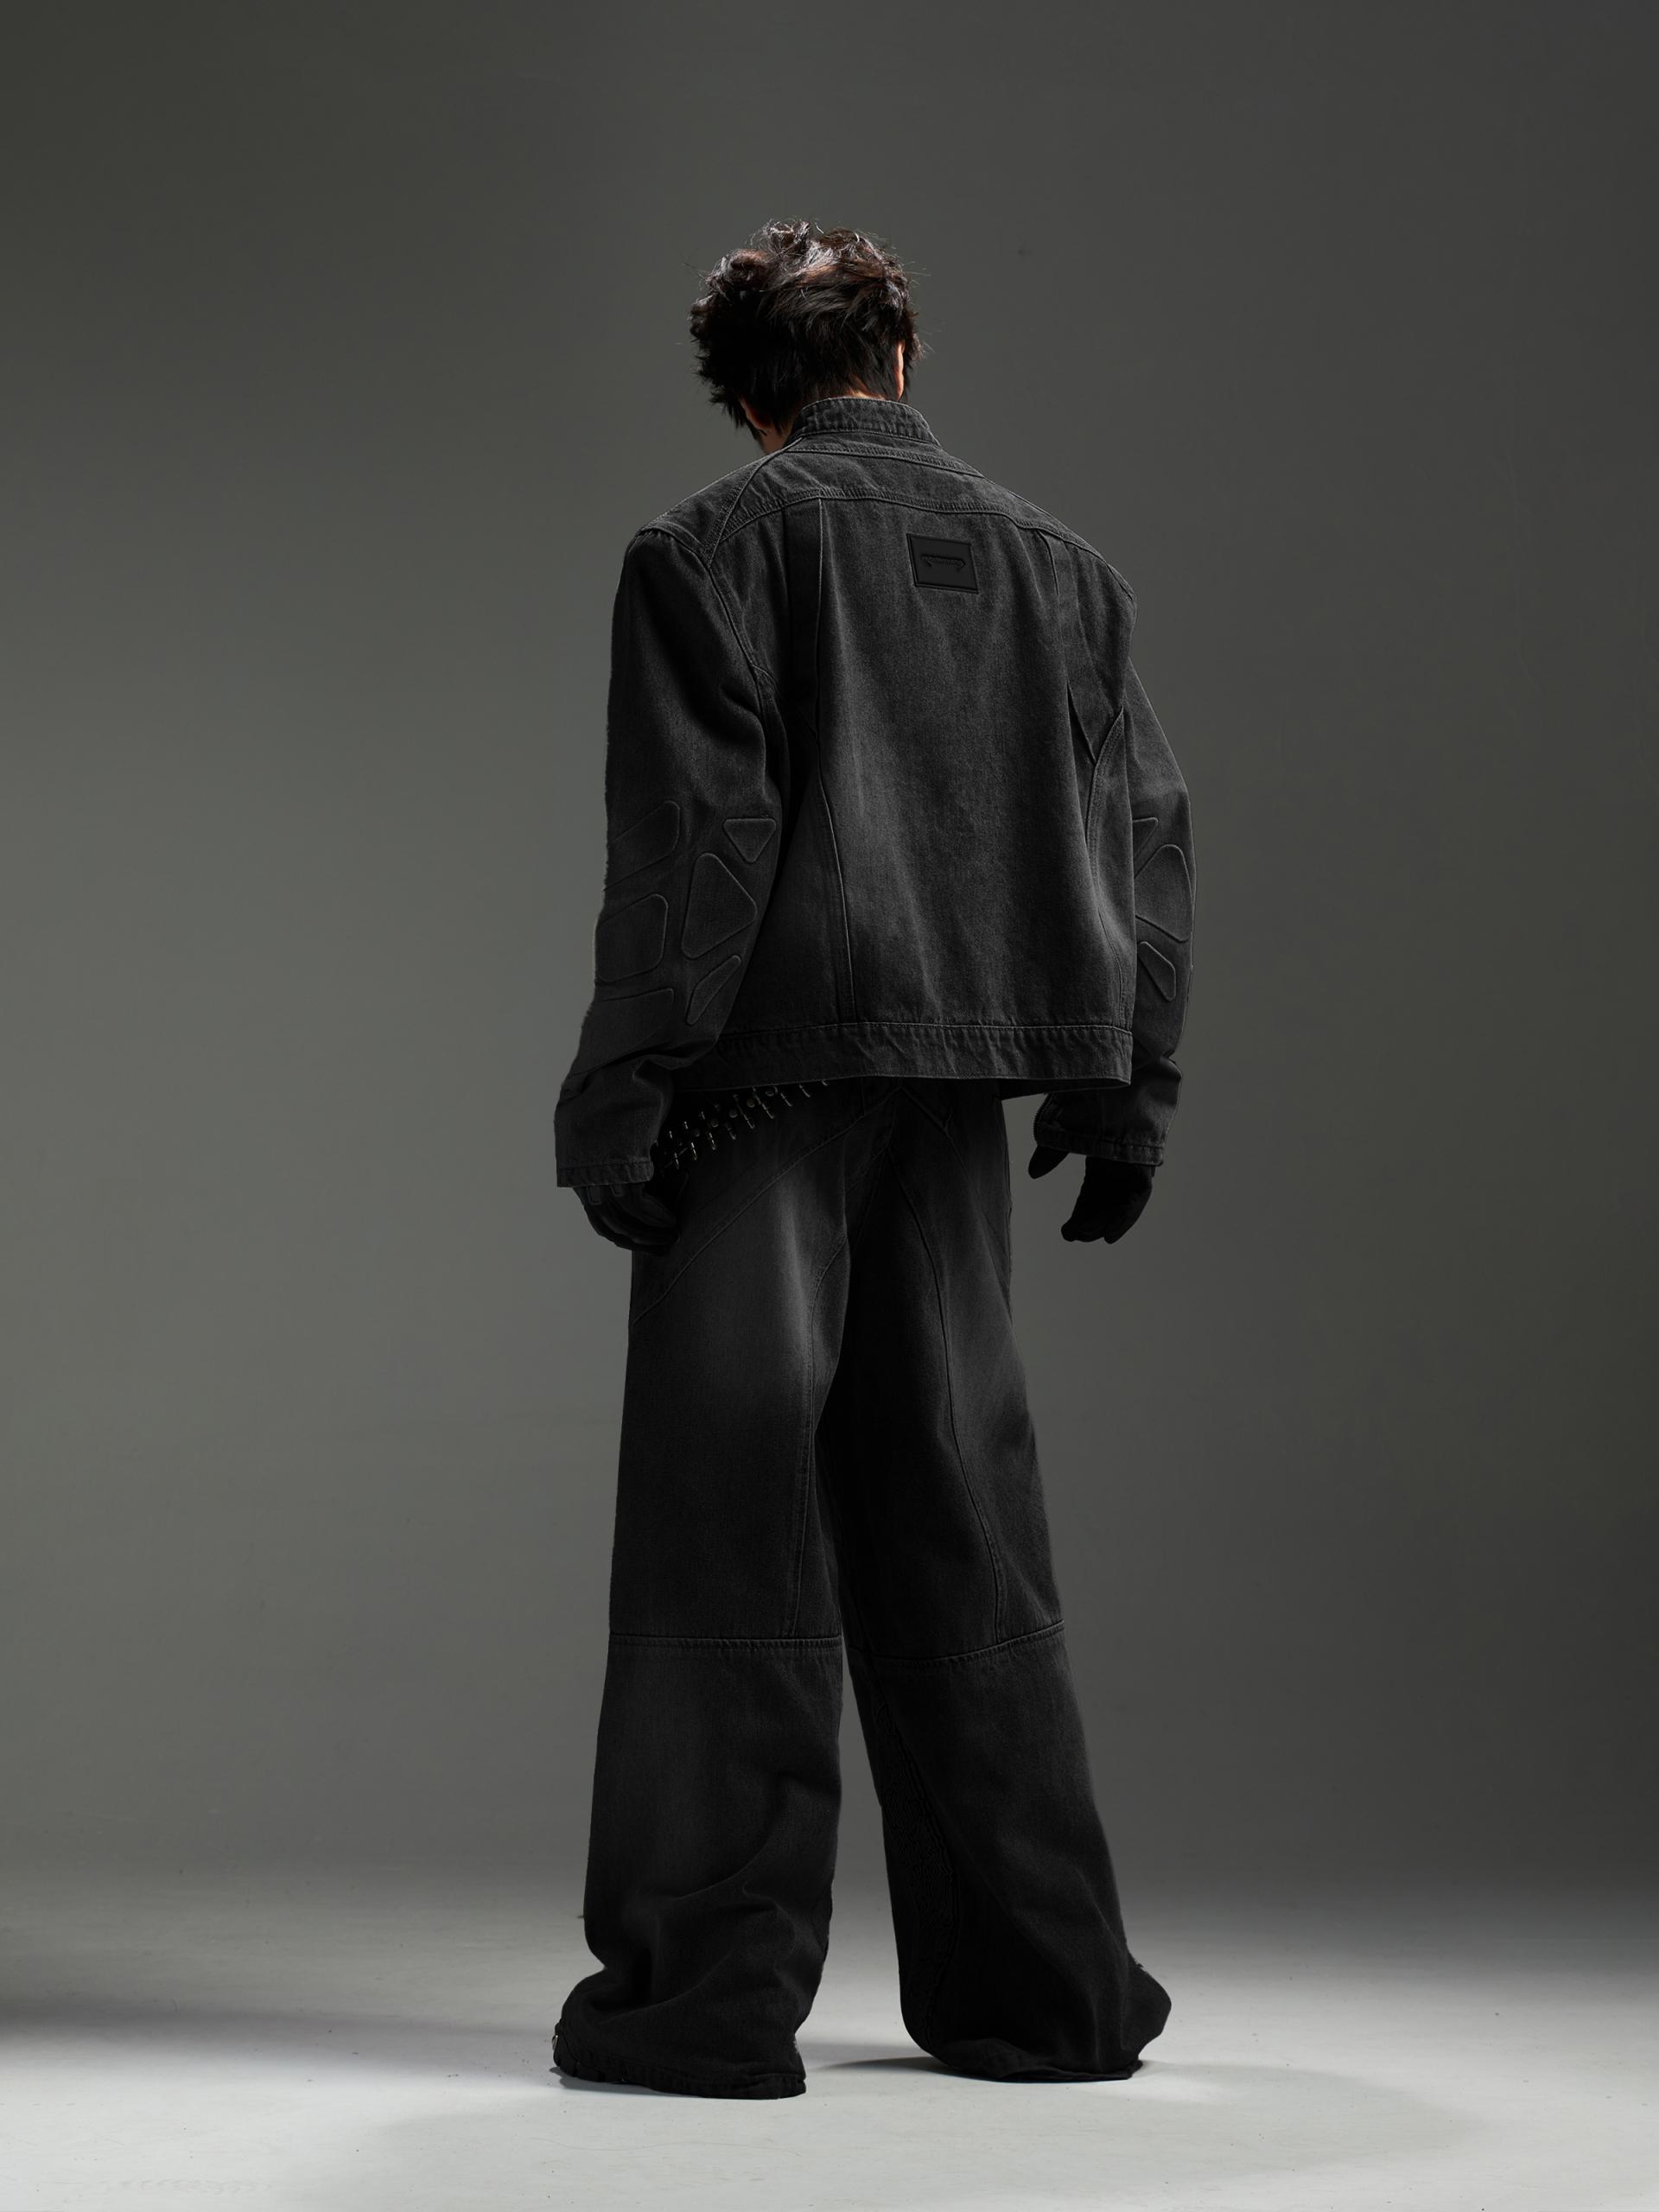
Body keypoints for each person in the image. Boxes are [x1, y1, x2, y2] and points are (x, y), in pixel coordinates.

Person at [550, 219, 1194, 2101]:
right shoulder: (1065, 571)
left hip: (761, 1089)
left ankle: (703, 2002)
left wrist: (621, 1091)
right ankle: (1045, 1995)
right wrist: (1128, 1088)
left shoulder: (707, 549)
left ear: (749, 399)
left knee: (729, 1535)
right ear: (897, 358)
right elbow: (1148, 835)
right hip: (962, 1100)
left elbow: (700, 846)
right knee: (963, 1527)